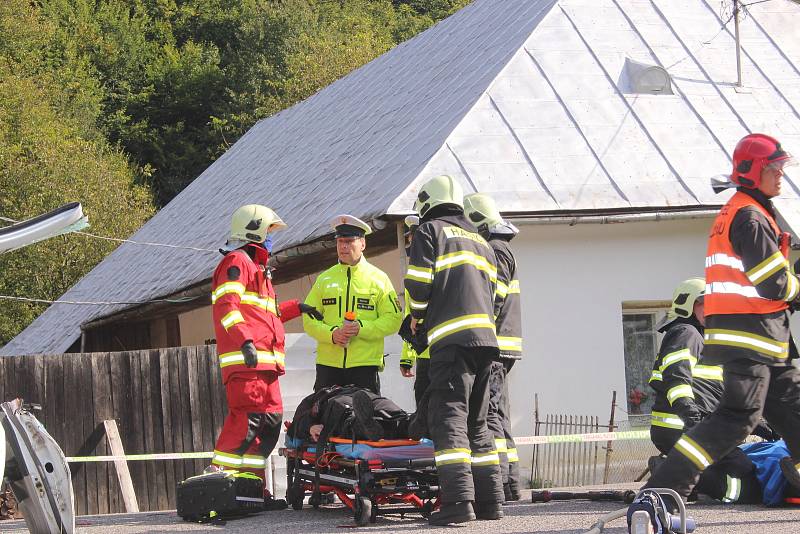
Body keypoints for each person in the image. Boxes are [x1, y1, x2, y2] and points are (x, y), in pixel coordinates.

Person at [639, 133, 800, 515]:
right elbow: (773, 281)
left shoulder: (748, 211)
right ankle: (661, 492)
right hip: (752, 337)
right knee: (736, 419)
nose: (781, 175)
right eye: (775, 168)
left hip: (766, 338)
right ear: (754, 171)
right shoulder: (748, 215)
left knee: (795, 415)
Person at [208, 204, 323, 510]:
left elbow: (266, 317)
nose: (273, 238)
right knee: (247, 421)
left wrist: (297, 308)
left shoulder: (259, 271)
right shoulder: (237, 262)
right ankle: (218, 488)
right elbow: (226, 306)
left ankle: (252, 492)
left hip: (266, 365)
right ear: (254, 231)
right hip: (247, 363)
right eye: (270, 231)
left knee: (268, 426)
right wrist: (244, 341)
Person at [405, 175, 504, 525]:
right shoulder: (481, 241)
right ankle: (491, 503)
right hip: (486, 343)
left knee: (449, 420)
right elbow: (496, 296)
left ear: (426, 203)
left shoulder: (429, 231)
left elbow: (418, 284)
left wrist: (417, 318)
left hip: (450, 343)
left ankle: (459, 504)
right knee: (478, 424)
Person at [648, 277, 760, 504]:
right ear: (688, 305)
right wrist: (692, 418)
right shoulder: (686, 333)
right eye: (705, 304)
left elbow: (716, 393)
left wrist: (765, 426)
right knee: (746, 485)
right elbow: (677, 379)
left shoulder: (701, 339)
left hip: (694, 426)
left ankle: (677, 474)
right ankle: (669, 472)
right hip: (682, 427)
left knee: (744, 469)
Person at [463, 193, 523, 502]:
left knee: (490, 415)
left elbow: (492, 297)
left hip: (496, 345)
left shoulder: (495, 250)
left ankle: (498, 482)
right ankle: (510, 483)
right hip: (504, 345)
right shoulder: (503, 248)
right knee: (499, 413)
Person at [303, 215, 403, 394]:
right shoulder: (324, 279)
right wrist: (332, 334)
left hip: (364, 366)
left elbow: (394, 319)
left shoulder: (379, 279)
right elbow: (308, 319)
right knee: (324, 419)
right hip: (328, 366)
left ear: (363, 244)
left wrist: (361, 328)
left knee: (364, 420)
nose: (343, 246)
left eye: (349, 241)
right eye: (340, 241)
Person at [287, 386, 419, 444]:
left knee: (348, 418)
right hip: (367, 396)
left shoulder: (315, 398)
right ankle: (409, 423)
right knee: (392, 413)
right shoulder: (313, 399)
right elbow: (298, 423)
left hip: (340, 402)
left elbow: (298, 422)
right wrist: (310, 427)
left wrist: (309, 427)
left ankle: (367, 427)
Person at [399, 215, 431, 408]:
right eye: (410, 238)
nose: (410, 243)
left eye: (413, 238)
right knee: (424, 413)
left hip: (444, 355)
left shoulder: (442, 267)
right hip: (424, 357)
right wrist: (407, 357)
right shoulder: (413, 273)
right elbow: (410, 319)